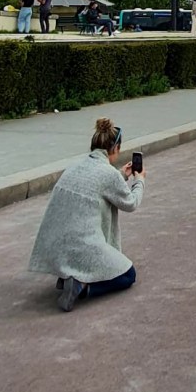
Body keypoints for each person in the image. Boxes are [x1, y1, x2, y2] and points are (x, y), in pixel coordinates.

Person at [28, 117, 146, 312]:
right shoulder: (108, 174)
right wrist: (139, 180)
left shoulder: (75, 166)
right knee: (128, 275)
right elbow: (130, 203)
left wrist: (121, 175)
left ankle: (67, 274)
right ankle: (82, 285)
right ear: (115, 149)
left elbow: (97, 185)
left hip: (56, 248)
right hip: (80, 248)